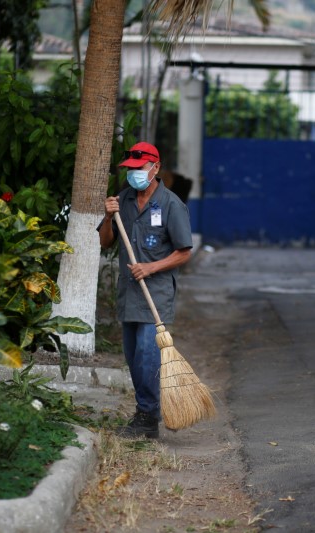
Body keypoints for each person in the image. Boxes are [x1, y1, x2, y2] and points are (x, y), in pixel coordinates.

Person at [98, 141, 193, 439]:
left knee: (148, 354)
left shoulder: (171, 205)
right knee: (133, 356)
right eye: (130, 170)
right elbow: (105, 242)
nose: (133, 175)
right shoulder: (123, 199)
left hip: (156, 293)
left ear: (155, 168)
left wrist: (150, 268)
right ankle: (146, 413)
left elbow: (184, 251)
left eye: (139, 169)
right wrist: (110, 217)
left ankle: (147, 417)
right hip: (129, 294)